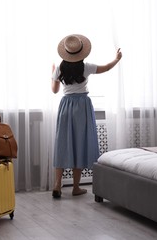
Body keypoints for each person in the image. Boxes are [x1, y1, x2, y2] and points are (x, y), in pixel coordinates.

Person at [51, 34, 122, 198]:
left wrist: (51, 74)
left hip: (65, 105)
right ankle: (76, 187)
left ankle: (57, 184)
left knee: (63, 143)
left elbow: (54, 90)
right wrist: (117, 59)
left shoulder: (59, 69)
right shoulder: (86, 67)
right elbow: (106, 68)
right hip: (82, 105)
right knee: (80, 144)